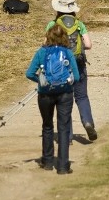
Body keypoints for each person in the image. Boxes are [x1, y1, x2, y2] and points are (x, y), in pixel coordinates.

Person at [25, 25, 80, 174]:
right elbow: (77, 76)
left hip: (45, 94)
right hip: (65, 94)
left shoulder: (41, 52)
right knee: (63, 127)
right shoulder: (68, 53)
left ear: (48, 36)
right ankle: (63, 165)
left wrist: (41, 81)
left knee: (47, 126)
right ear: (64, 38)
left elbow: (29, 73)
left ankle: (48, 161)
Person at [47, 0, 97, 142]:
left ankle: (66, 136)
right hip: (78, 63)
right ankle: (87, 122)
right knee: (81, 97)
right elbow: (88, 45)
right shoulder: (79, 24)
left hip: (59, 67)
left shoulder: (52, 25)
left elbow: (46, 45)